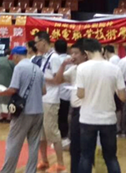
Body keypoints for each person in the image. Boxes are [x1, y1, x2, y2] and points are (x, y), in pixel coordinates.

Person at [76, 38, 126, 173]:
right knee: (111, 158)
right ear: (102, 50)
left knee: (86, 157)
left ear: (86, 52)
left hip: (87, 118)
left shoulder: (82, 68)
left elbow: (80, 94)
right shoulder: (115, 68)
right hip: (108, 119)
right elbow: (123, 97)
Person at [0, 46, 46, 173]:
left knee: (14, 142)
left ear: (16, 56)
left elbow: (14, 89)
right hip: (38, 111)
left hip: (24, 112)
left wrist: (3, 92)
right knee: (34, 144)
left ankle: (7, 171)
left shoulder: (19, 68)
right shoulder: (38, 68)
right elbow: (44, 91)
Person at [54, 38, 88, 173]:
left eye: (76, 53)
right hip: (75, 110)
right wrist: (63, 65)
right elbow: (58, 80)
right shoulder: (73, 69)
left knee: (86, 146)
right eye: (71, 53)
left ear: (85, 55)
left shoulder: (89, 70)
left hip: (87, 110)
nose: (73, 56)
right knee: (74, 146)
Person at [34, 31, 65, 172]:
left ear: (44, 42)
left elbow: (58, 80)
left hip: (50, 99)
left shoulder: (54, 58)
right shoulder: (43, 57)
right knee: (40, 132)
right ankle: (44, 160)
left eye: (37, 42)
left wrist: (40, 78)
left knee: (52, 131)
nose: (35, 45)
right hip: (40, 98)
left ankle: (60, 163)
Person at [54, 39, 71, 146]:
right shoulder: (71, 59)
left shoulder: (55, 60)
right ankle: (66, 137)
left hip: (60, 93)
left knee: (60, 117)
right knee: (67, 116)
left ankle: (62, 138)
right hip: (71, 92)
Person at [0, 48, 15, 122]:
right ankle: (9, 116)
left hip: (0, 82)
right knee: (10, 99)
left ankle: (0, 116)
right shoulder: (13, 61)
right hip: (10, 82)